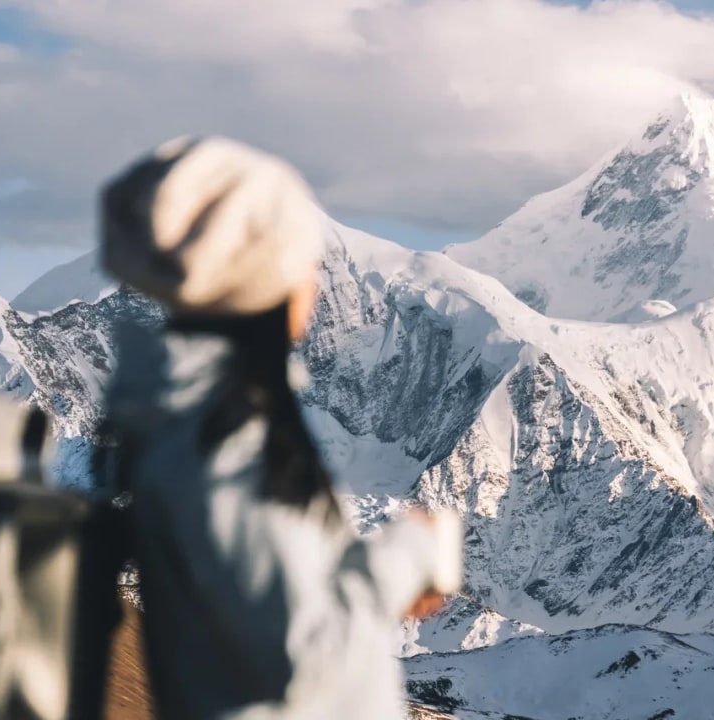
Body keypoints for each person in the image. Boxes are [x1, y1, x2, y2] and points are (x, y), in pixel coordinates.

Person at [94, 135, 463, 720]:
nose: (316, 287)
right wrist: (409, 554)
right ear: (267, 281)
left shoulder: (197, 420)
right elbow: (304, 656)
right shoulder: (223, 441)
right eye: (307, 265)